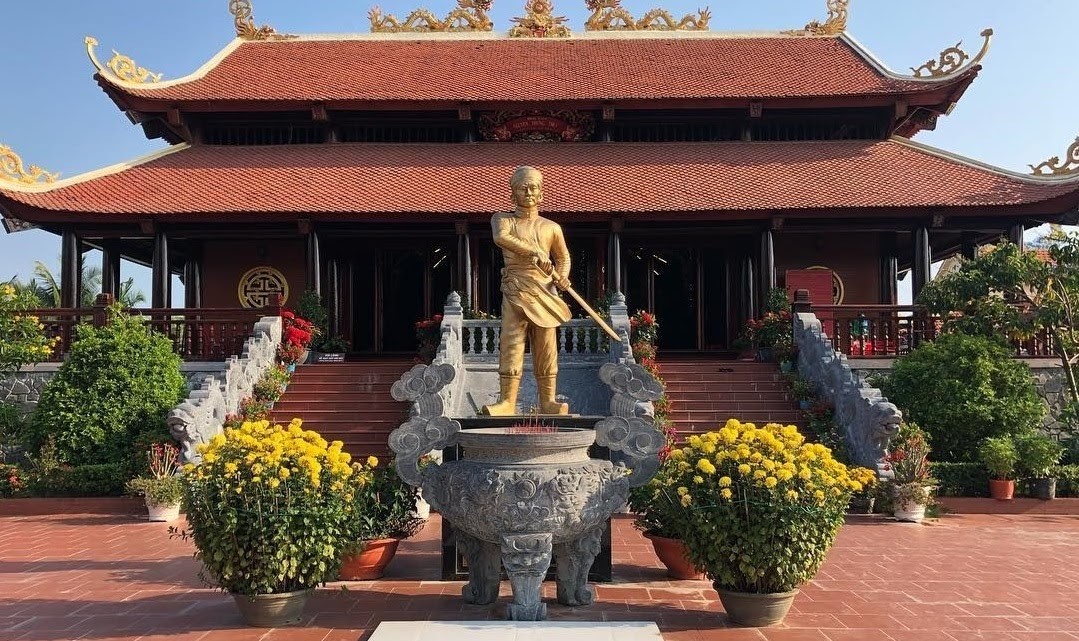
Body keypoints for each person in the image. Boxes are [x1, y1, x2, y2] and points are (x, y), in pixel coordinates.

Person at [482, 166, 572, 416]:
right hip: (516, 288)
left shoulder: (551, 227)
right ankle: (507, 402)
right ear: (513, 194)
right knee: (511, 342)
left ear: (541, 193)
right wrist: (533, 252)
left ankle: (548, 401)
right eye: (523, 188)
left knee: (546, 345)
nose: (529, 192)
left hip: (544, 290)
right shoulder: (502, 219)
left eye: (533, 187)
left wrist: (562, 277)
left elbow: (563, 257)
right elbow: (502, 238)